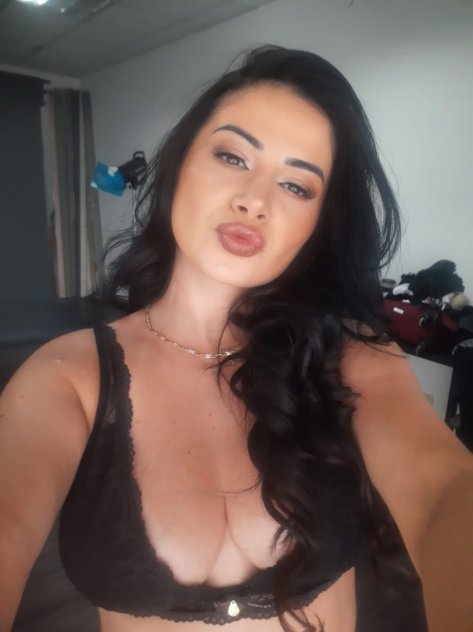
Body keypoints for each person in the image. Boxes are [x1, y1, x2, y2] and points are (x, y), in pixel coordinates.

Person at [1, 45, 472, 632]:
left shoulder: (350, 357)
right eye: (232, 156)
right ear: (179, 165)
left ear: (317, 224)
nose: (256, 201)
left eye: (297, 186)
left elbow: (442, 491)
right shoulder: (68, 378)